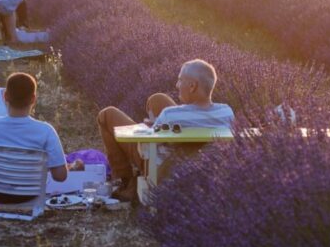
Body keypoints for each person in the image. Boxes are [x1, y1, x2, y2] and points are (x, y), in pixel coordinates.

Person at [97, 59, 235, 202]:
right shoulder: (226, 111)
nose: (177, 85)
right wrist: (160, 126)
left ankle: (125, 182)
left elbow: (144, 149)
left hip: (164, 169)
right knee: (157, 99)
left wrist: (146, 128)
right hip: (202, 163)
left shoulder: (170, 115)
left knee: (107, 115)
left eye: (180, 80)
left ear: (192, 86)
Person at [0, 72, 73, 203]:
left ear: (5, 96)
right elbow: (60, 176)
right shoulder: (46, 131)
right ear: (33, 99)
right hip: (29, 197)